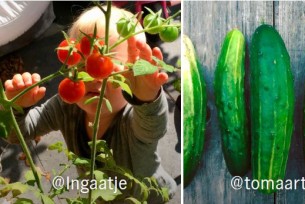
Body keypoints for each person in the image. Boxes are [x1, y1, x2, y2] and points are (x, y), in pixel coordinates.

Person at [3, 5, 177, 202]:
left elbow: (152, 128)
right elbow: (19, 133)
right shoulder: (65, 105)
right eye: (82, 65)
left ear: (133, 76)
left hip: (146, 197)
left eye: (107, 66)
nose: (95, 77)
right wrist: (16, 108)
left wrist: (147, 99)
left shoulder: (131, 120)